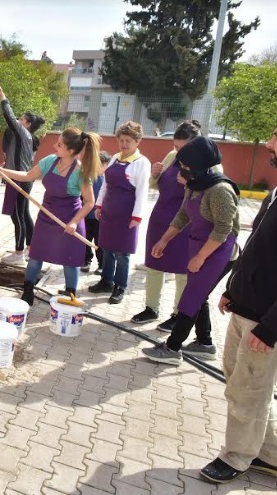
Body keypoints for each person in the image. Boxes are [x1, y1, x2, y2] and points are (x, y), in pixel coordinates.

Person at [199, 127, 277, 484]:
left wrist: (271, 327)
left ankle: (237, 457)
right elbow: (257, 248)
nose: (270, 143)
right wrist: (233, 288)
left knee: (249, 390)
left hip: (266, 320)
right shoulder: (274, 192)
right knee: (240, 383)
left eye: (276, 137)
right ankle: (270, 453)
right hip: (246, 305)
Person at [142, 136, 240, 366]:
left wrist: (200, 257)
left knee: (191, 297)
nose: (181, 171)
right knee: (198, 295)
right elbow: (183, 215)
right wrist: (164, 240)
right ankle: (205, 343)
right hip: (201, 245)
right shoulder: (195, 185)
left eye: (185, 167)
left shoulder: (220, 190)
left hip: (220, 251)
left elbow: (224, 229)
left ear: (198, 166)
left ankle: (173, 348)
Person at [0, 127, 102, 304]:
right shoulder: (50, 161)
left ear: (71, 151)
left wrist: (74, 222)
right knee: (36, 257)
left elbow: (90, 201)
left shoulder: (80, 172)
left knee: (70, 261)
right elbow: (28, 176)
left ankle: (70, 297)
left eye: (59, 144)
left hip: (69, 220)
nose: (54, 146)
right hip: (46, 216)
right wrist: (4, 171)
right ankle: (27, 292)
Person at [132, 120, 203, 328]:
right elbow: (156, 184)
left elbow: (209, 194)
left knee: (182, 271)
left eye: (183, 147)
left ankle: (177, 314)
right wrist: (155, 174)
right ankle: (151, 308)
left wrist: (190, 182)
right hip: (161, 217)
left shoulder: (208, 161)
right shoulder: (172, 157)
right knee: (154, 264)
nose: (178, 151)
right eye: (176, 146)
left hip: (186, 222)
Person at [89, 121, 151, 304]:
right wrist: (99, 206)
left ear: (137, 142)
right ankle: (106, 281)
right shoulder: (115, 158)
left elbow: (142, 191)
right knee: (106, 248)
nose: (124, 144)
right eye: (121, 140)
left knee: (122, 254)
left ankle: (120, 286)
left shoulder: (142, 163)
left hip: (127, 215)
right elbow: (105, 185)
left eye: (128, 141)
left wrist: (137, 216)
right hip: (109, 212)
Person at [0, 88, 45, 265]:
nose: (18, 120)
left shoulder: (23, 133)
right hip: (23, 177)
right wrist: (7, 166)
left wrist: (3, 97)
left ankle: (18, 254)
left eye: (22, 119)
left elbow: (9, 117)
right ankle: (30, 247)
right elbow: (18, 157)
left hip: (19, 180)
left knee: (16, 216)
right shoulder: (28, 137)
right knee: (23, 213)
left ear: (28, 124)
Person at [81, 151, 111, 274]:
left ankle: (101, 264)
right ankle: (86, 261)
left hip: (101, 218)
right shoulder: (87, 178)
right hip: (87, 215)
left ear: (106, 166)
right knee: (85, 240)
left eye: (101, 165)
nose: (98, 167)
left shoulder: (108, 181)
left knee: (100, 242)